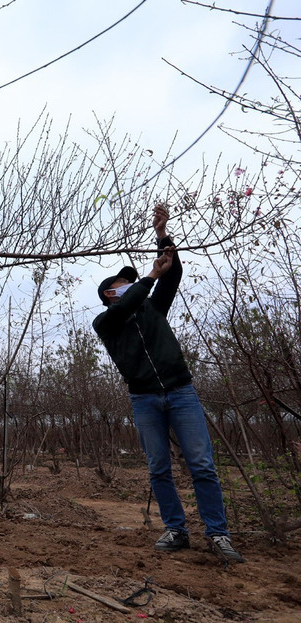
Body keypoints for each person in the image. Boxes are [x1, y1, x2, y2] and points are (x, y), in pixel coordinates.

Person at [92, 205, 245, 563]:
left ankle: (218, 534)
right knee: (158, 467)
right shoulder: (106, 322)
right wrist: (146, 277)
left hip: (181, 392)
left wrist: (163, 237)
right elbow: (131, 299)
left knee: (201, 465)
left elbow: (171, 275)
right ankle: (176, 528)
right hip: (144, 400)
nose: (128, 285)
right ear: (110, 295)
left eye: (129, 282)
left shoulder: (153, 310)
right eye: (120, 284)